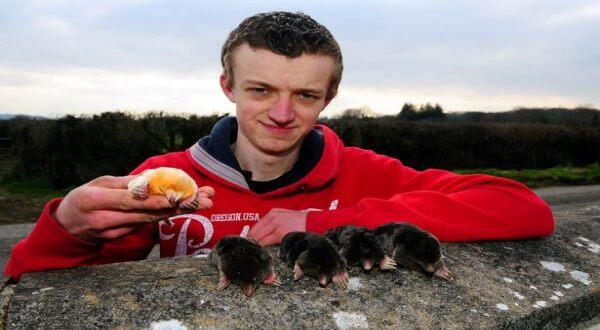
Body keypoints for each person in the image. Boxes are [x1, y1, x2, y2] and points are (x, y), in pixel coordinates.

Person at [4, 11, 554, 281]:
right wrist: (66, 227)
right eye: (261, 90)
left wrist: (323, 218)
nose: (283, 114)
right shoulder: (166, 177)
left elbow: (522, 207)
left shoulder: (365, 171)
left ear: (329, 97)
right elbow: (34, 293)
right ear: (228, 87)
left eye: (306, 94)